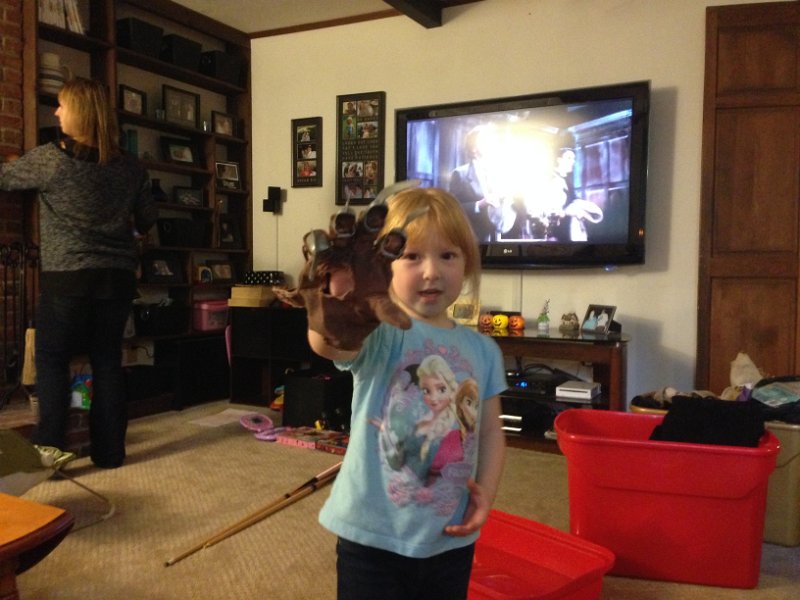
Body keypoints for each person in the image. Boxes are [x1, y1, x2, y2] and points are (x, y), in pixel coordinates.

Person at [307, 187, 507, 599]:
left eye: (447, 255)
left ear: (467, 263)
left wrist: (485, 494)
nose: (431, 272)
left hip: (449, 536)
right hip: (371, 539)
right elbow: (331, 344)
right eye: (412, 256)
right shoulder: (382, 332)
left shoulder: (484, 350)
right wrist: (339, 312)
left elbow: (490, 430)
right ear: (383, 266)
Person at [0, 77, 157, 468]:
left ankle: (49, 456)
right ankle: (110, 454)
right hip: (117, 279)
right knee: (107, 361)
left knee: (52, 361)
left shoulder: (51, 159)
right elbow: (147, 220)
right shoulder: (131, 167)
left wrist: (14, 164)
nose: (57, 112)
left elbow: (4, 179)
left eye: (62, 105)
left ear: (80, 113)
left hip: (68, 278)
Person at [449, 125, 511, 242]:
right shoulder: (460, 174)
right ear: (473, 148)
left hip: (498, 241)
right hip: (474, 242)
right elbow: (451, 210)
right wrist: (479, 205)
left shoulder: (500, 173)